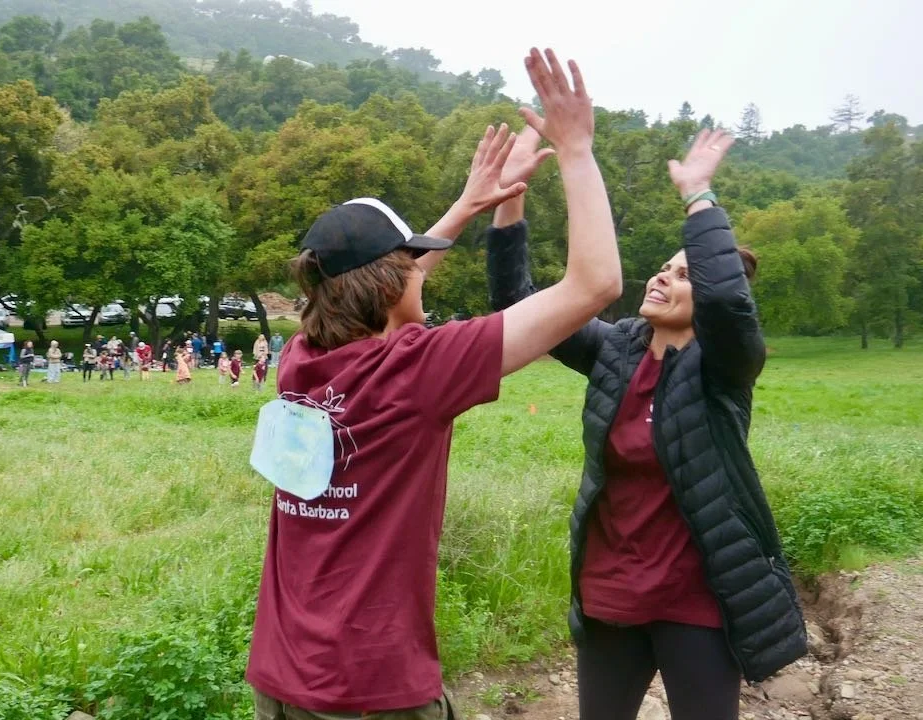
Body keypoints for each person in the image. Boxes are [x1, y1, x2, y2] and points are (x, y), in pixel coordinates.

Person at [245, 48, 622, 720]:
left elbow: (381, 286)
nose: (426, 270)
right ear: (393, 283)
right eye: (415, 264)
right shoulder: (418, 369)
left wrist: (467, 207)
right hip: (369, 691)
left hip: (279, 677)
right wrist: (577, 149)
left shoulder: (299, 359)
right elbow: (594, 284)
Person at [485, 128, 806, 720]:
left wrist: (699, 196)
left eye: (684, 275)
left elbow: (731, 305)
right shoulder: (615, 350)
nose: (662, 277)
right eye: (664, 268)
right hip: (612, 592)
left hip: (698, 600)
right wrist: (512, 195)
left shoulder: (725, 368)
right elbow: (520, 304)